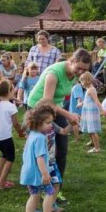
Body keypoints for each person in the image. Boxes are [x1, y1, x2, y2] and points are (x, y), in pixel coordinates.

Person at [26, 48, 93, 202]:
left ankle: (56, 189)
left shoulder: (75, 75)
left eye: (84, 70)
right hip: (39, 109)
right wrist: (68, 114)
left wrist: (69, 116)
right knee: (40, 150)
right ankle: (37, 187)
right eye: (79, 68)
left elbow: (60, 98)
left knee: (62, 150)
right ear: (72, 61)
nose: (81, 72)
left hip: (56, 109)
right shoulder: (53, 74)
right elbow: (47, 102)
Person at [20, 104, 63, 212]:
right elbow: (40, 158)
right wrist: (45, 174)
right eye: (48, 123)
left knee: (34, 196)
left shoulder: (32, 134)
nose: (51, 125)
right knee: (50, 193)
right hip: (39, 174)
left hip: (29, 172)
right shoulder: (40, 138)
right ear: (38, 123)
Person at [0, 80, 25, 190]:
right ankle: (1, 183)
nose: (14, 91)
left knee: (4, 155)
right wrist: (21, 133)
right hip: (5, 137)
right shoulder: (10, 106)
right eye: (13, 89)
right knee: (10, 157)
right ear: (9, 91)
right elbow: (16, 123)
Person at [77, 72, 104, 153]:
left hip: (91, 112)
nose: (81, 83)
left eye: (81, 81)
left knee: (92, 130)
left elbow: (96, 101)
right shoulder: (88, 89)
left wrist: (102, 110)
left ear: (86, 81)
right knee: (89, 127)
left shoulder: (91, 90)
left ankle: (97, 148)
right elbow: (87, 100)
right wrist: (81, 103)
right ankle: (92, 141)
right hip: (87, 111)